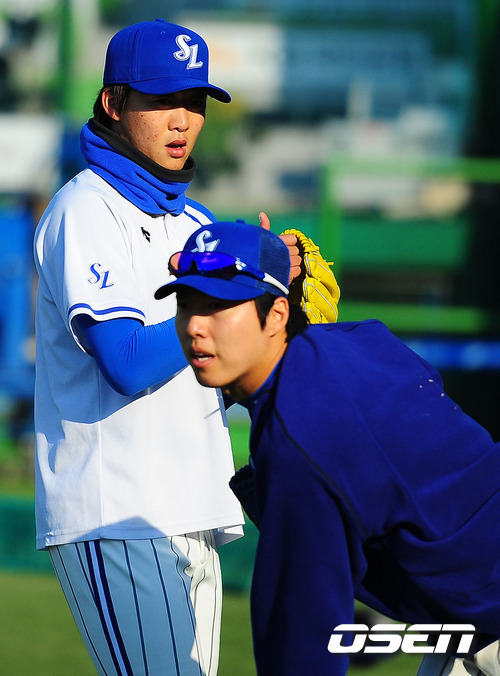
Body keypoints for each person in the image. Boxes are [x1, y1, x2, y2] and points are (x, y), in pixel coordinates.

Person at [33, 19, 300, 676]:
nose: (182, 120)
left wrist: (275, 317)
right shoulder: (86, 209)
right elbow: (125, 361)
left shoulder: (197, 224)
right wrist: (230, 302)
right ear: (114, 102)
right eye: (161, 100)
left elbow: (230, 374)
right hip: (118, 512)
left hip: (195, 509)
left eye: (194, 101)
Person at [157, 220, 500, 676]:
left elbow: (304, 633)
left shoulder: (301, 432)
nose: (196, 326)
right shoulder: (359, 341)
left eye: (220, 305)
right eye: (186, 304)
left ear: (277, 314)